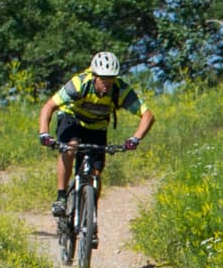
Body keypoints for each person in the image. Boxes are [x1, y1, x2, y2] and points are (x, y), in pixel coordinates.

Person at [37, 52, 156, 223]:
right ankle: (61, 197)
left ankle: (89, 215)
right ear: (94, 76)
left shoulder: (120, 90)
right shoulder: (79, 84)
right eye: (103, 79)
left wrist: (135, 138)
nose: (107, 84)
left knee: (95, 173)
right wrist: (44, 133)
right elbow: (49, 106)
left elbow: (148, 115)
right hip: (72, 120)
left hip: (97, 128)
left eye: (111, 79)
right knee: (71, 146)